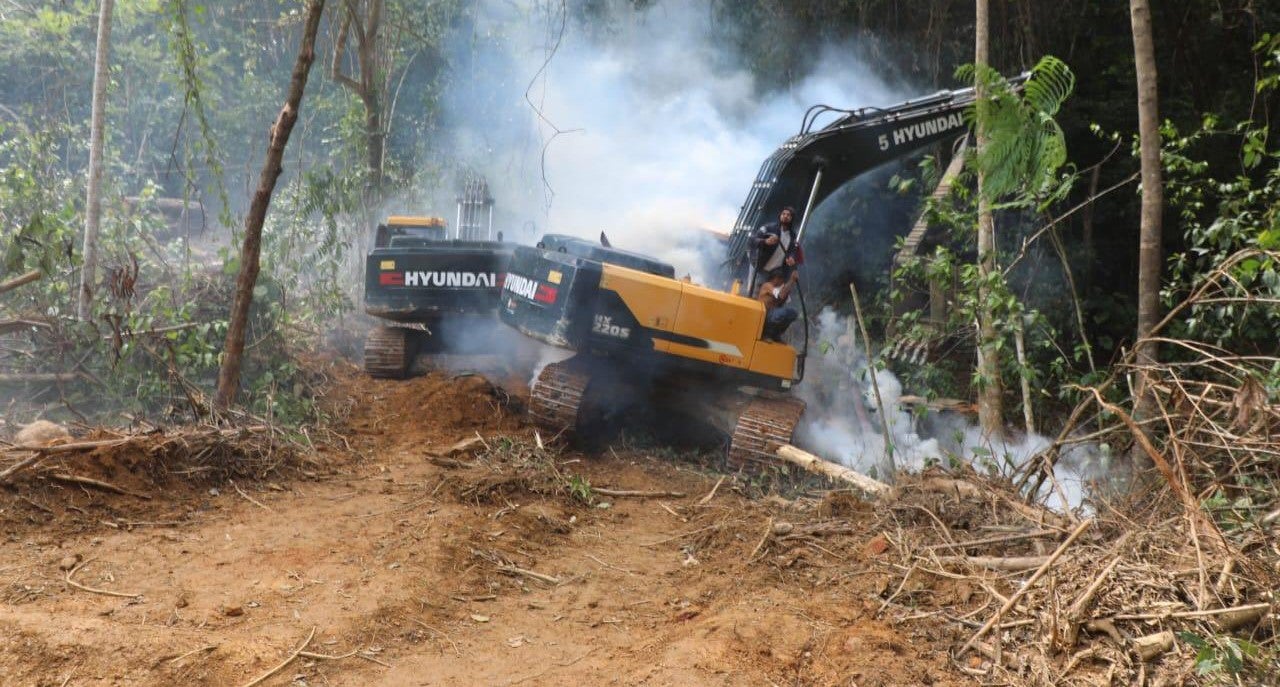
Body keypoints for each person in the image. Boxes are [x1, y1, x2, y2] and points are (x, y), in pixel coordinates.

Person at [750, 206, 804, 278]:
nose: (785, 216)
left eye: (788, 215)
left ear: (792, 218)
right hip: (758, 268)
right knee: (751, 288)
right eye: (783, 214)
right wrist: (765, 241)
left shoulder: (793, 236)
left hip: (774, 274)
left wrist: (791, 257)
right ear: (780, 216)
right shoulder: (769, 228)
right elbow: (752, 240)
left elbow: (792, 250)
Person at [757, 268, 799, 342]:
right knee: (782, 313)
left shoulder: (778, 288)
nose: (781, 281)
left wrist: (789, 286)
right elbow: (780, 295)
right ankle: (766, 334)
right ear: (775, 278)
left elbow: (784, 299)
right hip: (764, 316)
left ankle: (776, 334)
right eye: (780, 279)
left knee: (793, 313)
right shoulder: (767, 285)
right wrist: (791, 280)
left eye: (782, 279)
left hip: (772, 315)